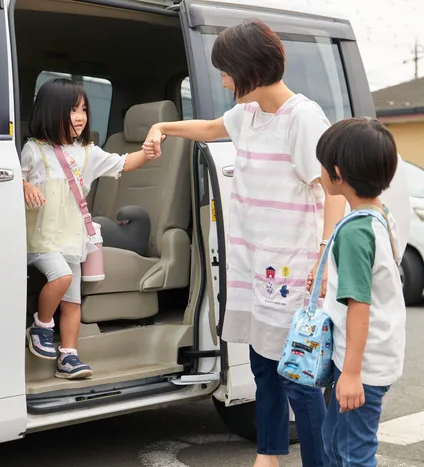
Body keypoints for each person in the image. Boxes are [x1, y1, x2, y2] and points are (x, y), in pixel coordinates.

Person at [142, 19, 346, 467]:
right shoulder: (248, 114)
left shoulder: (303, 117)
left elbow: (333, 190)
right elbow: (212, 128)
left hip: (294, 267)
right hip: (254, 263)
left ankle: (321, 462)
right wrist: (165, 129)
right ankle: (269, 455)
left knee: (299, 376)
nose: (222, 80)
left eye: (225, 70)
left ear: (249, 68)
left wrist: (326, 259)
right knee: (262, 366)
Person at [22, 78, 157, 379]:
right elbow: (13, 179)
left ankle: (69, 357)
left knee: (72, 301)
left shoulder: (88, 152)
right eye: (72, 110)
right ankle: (42, 326)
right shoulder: (34, 150)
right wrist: (26, 185)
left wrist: (146, 153)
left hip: (73, 237)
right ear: (50, 111)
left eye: (84, 109)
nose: (81, 116)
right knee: (62, 276)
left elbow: (122, 164)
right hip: (43, 237)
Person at [310, 118, 405, 467]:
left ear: (337, 173)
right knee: (334, 441)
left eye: (321, 164)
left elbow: (359, 304)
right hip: (371, 356)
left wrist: (350, 375)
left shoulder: (355, 232)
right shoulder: (378, 215)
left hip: (360, 365)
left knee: (353, 454)